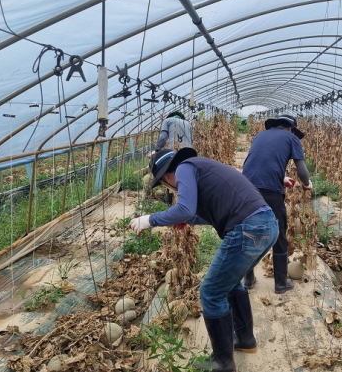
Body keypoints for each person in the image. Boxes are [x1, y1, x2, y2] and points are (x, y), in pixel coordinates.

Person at [129, 148, 278, 372]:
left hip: (249, 227)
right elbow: (207, 212)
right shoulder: (199, 167)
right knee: (230, 284)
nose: (169, 188)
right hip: (266, 225)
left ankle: (223, 363)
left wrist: (149, 219)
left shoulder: (184, 168)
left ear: (167, 176)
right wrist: (187, 219)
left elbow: (184, 208)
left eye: (164, 184)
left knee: (211, 291)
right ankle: (245, 340)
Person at [241, 114, 311, 294]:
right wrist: (306, 183)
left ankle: (248, 279)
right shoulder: (292, 138)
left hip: (246, 188)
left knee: (250, 230)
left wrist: (281, 179)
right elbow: (302, 170)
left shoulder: (260, 135)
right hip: (271, 191)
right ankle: (280, 283)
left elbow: (259, 164)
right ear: (291, 128)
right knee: (279, 233)